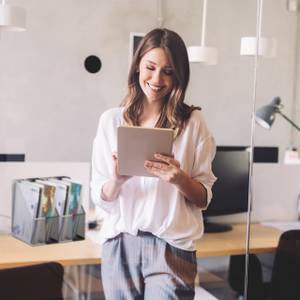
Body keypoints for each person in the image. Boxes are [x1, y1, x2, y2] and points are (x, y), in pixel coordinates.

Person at [90, 28, 217, 300]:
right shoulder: (111, 121)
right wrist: (116, 181)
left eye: (168, 72)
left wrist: (179, 179)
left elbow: (204, 197)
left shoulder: (193, 123)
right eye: (150, 67)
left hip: (171, 248)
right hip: (120, 245)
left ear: (179, 76)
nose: (157, 79)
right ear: (137, 66)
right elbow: (101, 198)